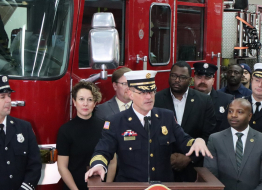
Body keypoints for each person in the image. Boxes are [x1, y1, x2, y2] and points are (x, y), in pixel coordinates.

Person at [85, 70, 213, 183]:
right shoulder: (116, 121)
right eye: (142, 92)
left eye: (151, 91)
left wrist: (198, 141)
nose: (149, 97)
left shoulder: (166, 117)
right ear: (130, 94)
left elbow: (184, 141)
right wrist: (98, 165)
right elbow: (103, 150)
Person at [154, 61, 216, 182]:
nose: (177, 80)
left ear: (190, 80)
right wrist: (167, 157)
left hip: (193, 168)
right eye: (173, 76)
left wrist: (189, 158)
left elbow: (209, 135)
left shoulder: (204, 101)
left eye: (182, 77)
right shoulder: (156, 100)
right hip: (162, 167)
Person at [204, 98, 262, 190]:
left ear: (249, 116)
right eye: (230, 111)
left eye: (239, 112)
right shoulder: (215, 139)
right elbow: (210, 176)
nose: (233, 115)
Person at [57, 81, 104, 190]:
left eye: (89, 99)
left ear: (94, 103)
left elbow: (113, 161)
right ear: (74, 102)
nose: (85, 103)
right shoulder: (65, 130)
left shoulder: (104, 127)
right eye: (81, 99)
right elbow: (62, 166)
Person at [0, 75, 41, 190]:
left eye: (9, 96)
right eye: (2, 97)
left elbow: (34, 167)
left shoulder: (24, 127)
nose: (8, 101)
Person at [93, 67, 132, 182]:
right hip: (112, 170)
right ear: (115, 86)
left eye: (131, 84)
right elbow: (101, 143)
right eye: (124, 84)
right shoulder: (102, 110)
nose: (128, 88)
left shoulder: (142, 108)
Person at [193, 62, 234, 132]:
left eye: (207, 78)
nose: (202, 81)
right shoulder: (185, 98)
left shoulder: (226, 100)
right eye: (199, 77)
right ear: (194, 79)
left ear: (213, 81)